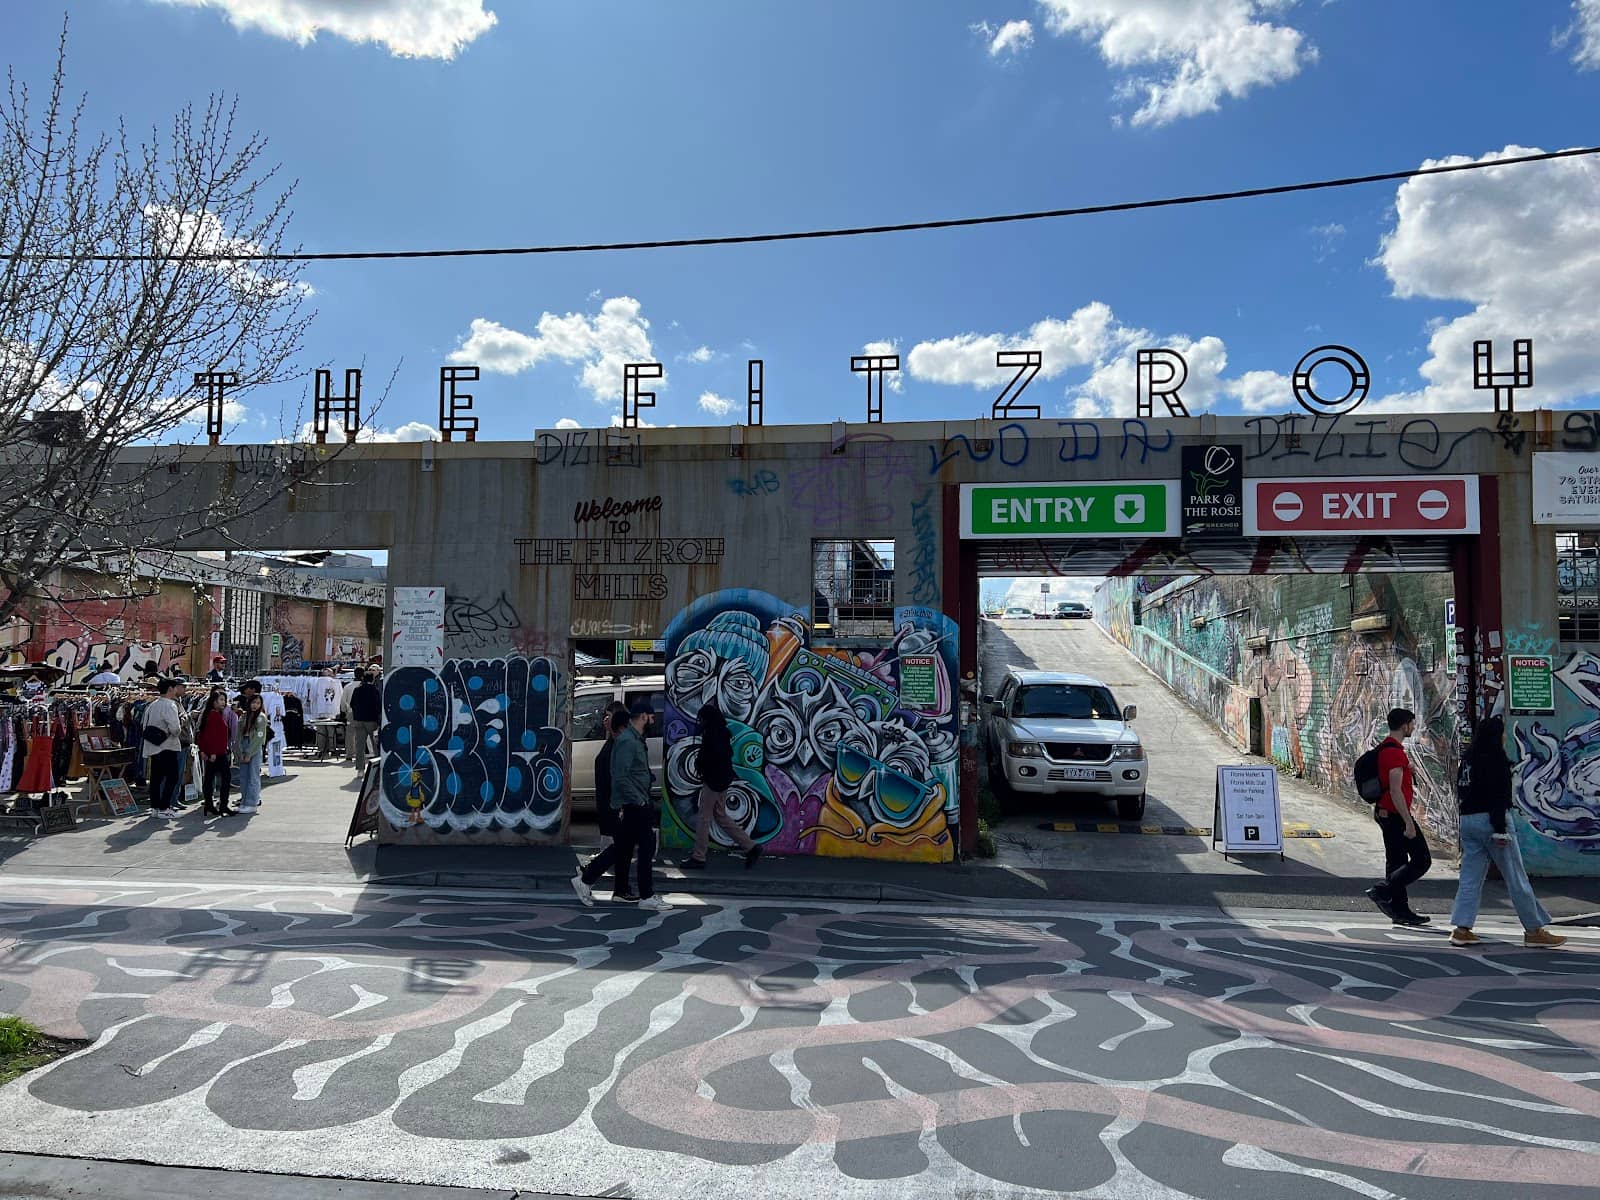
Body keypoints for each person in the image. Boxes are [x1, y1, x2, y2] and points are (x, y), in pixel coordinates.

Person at [1449, 716, 1567, 949]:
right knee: (1515, 876)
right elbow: (1498, 795)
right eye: (1502, 733)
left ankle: (1462, 928)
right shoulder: (1495, 759)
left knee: (1470, 877)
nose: (1505, 737)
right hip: (1492, 821)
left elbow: (1461, 789)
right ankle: (1533, 929)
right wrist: (1500, 829)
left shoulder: (1468, 759)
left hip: (1468, 819)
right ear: (1496, 736)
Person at [573, 701, 670, 911]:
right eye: (652, 717)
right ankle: (646, 895)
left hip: (635, 800)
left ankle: (587, 879)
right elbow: (620, 777)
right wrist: (640, 800)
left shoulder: (633, 739)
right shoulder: (628, 741)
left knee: (623, 847)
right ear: (643, 716)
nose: (654, 721)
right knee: (644, 847)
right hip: (634, 803)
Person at [1364, 708, 1432, 927]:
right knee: (1422, 860)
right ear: (1404, 726)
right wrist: (1409, 822)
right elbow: (1395, 791)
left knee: (1397, 863)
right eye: (1412, 724)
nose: (1413, 727)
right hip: (1395, 815)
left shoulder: (1387, 748)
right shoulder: (1394, 753)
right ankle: (1381, 890)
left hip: (1386, 813)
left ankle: (1400, 910)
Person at [681, 700, 761, 870]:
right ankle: (750, 846)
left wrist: (703, 767)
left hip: (713, 781)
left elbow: (710, 758)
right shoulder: (722, 733)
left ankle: (699, 856)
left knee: (704, 818)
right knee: (720, 815)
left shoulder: (711, 735)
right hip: (722, 780)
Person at [141, 677, 186, 817]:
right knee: (172, 776)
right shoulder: (170, 705)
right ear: (170, 689)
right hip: (167, 746)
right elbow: (175, 729)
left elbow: (144, 724)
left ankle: (155, 807)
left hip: (153, 746)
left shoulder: (152, 705)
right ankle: (164, 807)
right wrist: (181, 722)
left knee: (156, 778)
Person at [196, 686, 238, 817]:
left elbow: (202, 734)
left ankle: (210, 804)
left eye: (224, 700)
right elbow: (210, 735)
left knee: (209, 778)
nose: (223, 703)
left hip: (214, 752)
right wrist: (212, 752)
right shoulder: (213, 715)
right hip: (217, 753)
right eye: (221, 700)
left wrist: (203, 750)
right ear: (214, 701)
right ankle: (222, 805)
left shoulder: (210, 714)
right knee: (225, 778)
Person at [232, 692, 270, 813]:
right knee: (243, 776)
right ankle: (244, 800)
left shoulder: (261, 717)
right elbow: (238, 734)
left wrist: (249, 753)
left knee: (253, 776)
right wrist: (238, 751)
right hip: (243, 744)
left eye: (258, 703)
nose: (255, 705)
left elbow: (259, 737)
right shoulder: (244, 716)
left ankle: (252, 802)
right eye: (253, 702)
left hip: (254, 746)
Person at [348, 671, 382, 772]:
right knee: (375, 746)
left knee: (360, 746)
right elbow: (378, 705)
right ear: (372, 679)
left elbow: (352, 704)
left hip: (359, 720)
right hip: (371, 721)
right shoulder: (375, 690)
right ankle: (376, 769)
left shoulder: (357, 690)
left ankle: (360, 770)